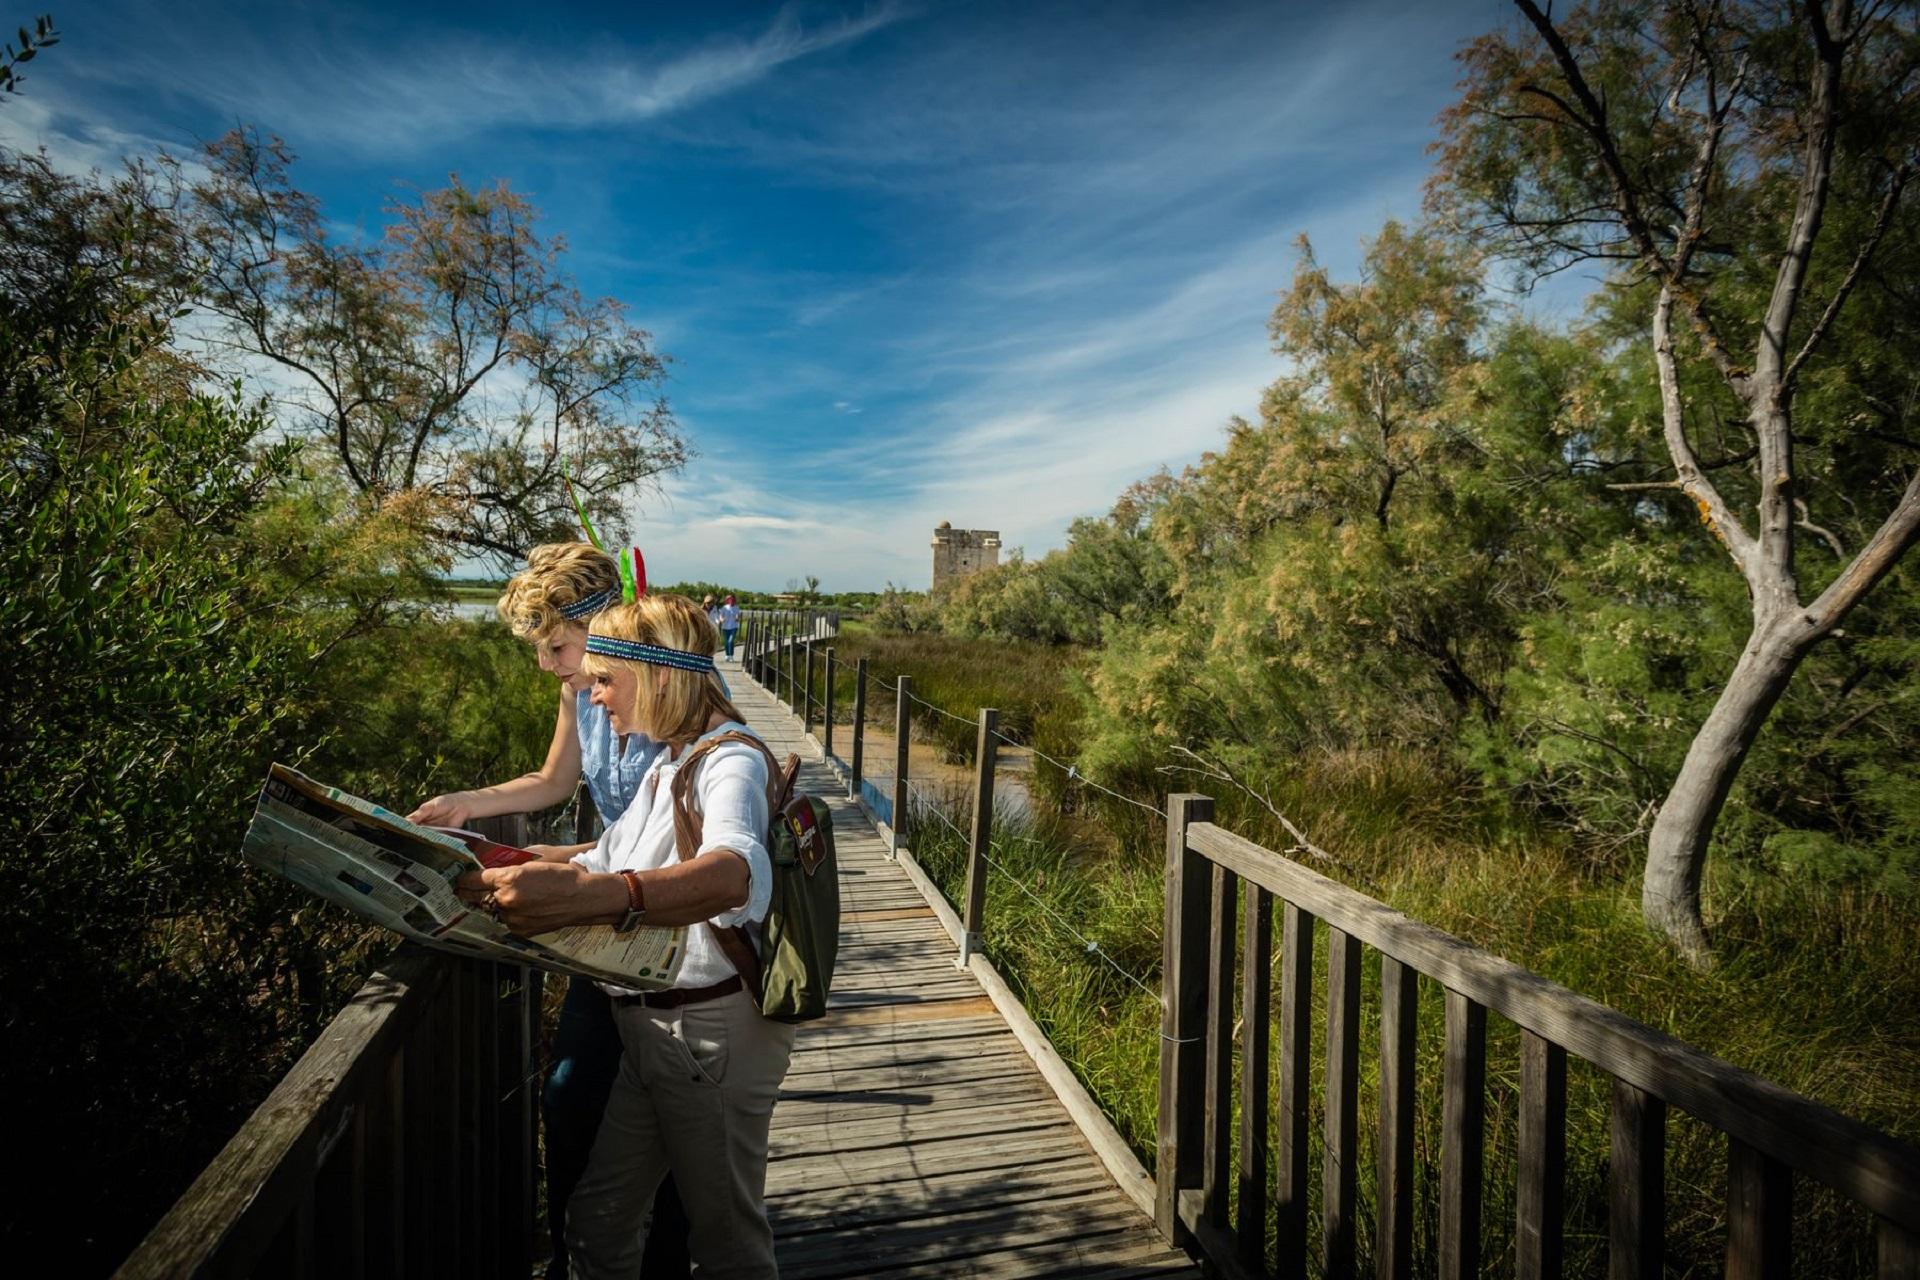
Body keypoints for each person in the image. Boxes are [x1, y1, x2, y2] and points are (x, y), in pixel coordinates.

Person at [459, 594, 793, 1280]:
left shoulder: (730, 764)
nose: (594, 694)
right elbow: (600, 861)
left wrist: (601, 897)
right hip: (650, 1035)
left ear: (661, 678)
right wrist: (478, 858)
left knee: (728, 1248)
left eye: (606, 679)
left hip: (709, 1040)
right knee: (596, 1225)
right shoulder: (671, 761)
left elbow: (733, 873)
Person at [407, 542, 691, 1280]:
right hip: (605, 915)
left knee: (672, 1116)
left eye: (557, 646)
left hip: (672, 928)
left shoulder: (669, 688)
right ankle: (576, 1258)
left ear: (608, 624)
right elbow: (553, 778)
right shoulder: (582, 690)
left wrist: (550, 867)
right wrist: (468, 805)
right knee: (568, 1101)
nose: (548, 665)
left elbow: (669, 840)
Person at [717, 594, 742, 660]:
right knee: (726, 642)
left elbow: (738, 615)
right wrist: (721, 619)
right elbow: (720, 616)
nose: (731, 601)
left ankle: (731, 655)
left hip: (734, 627)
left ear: (734, 600)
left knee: (730, 641)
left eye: (732, 599)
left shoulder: (737, 607)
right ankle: (727, 655)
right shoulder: (724, 607)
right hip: (725, 627)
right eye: (729, 599)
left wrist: (737, 617)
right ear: (727, 601)